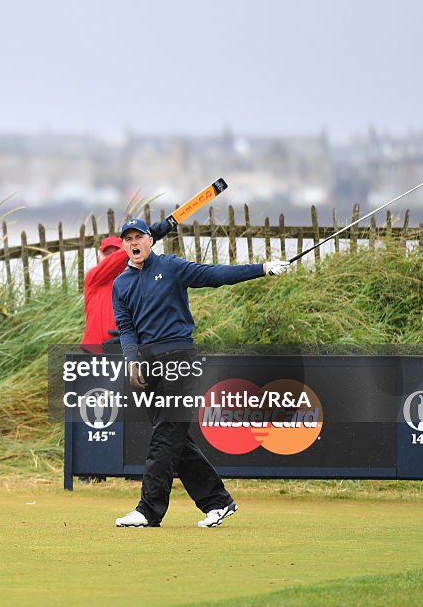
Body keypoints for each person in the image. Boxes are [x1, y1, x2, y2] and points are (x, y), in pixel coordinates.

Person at [111, 218, 290, 528]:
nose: (133, 242)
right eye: (128, 239)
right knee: (175, 437)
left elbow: (214, 275)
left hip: (179, 356)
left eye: (138, 236)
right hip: (147, 362)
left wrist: (261, 268)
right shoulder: (120, 284)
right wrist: (131, 360)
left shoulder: (171, 267)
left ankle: (148, 509)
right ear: (123, 245)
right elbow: (126, 327)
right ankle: (218, 502)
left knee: (166, 433)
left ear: (150, 240)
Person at [82, 220, 172, 346]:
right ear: (99, 258)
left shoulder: (137, 282)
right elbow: (114, 262)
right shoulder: (93, 278)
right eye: (107, 254)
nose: (112, 257)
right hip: (93, 353)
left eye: (116, 252)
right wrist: (150, 235)